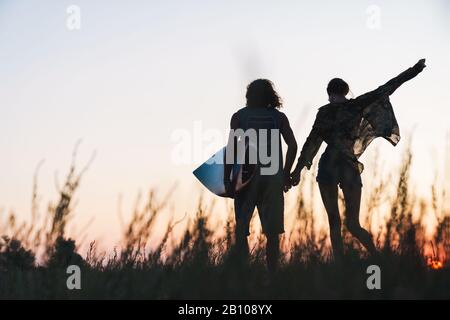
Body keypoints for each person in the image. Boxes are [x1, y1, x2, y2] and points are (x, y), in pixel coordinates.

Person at [290, 59, 427, 260]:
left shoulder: (325, 112)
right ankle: (378, 258)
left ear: (329, 94)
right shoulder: (356, 105)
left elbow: (311, 144)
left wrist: (296, 171)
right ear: (346, 91)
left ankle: (340, 266)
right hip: (348, 166)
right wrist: (413, 71)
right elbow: (387, 88)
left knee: (334, 222)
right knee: (353, 224)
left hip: (329, 165)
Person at [224, 79, 297, 274]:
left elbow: (231, 149)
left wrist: (227, 179)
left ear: (249, 96)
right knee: (272, 235)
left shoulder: (239, 117)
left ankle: (245, 275)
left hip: (244, 180)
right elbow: (293, 145)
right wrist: (285, 173)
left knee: (241, 232)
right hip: (272, 182)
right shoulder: (278, 118)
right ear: (270, 96)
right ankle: (272, 276)